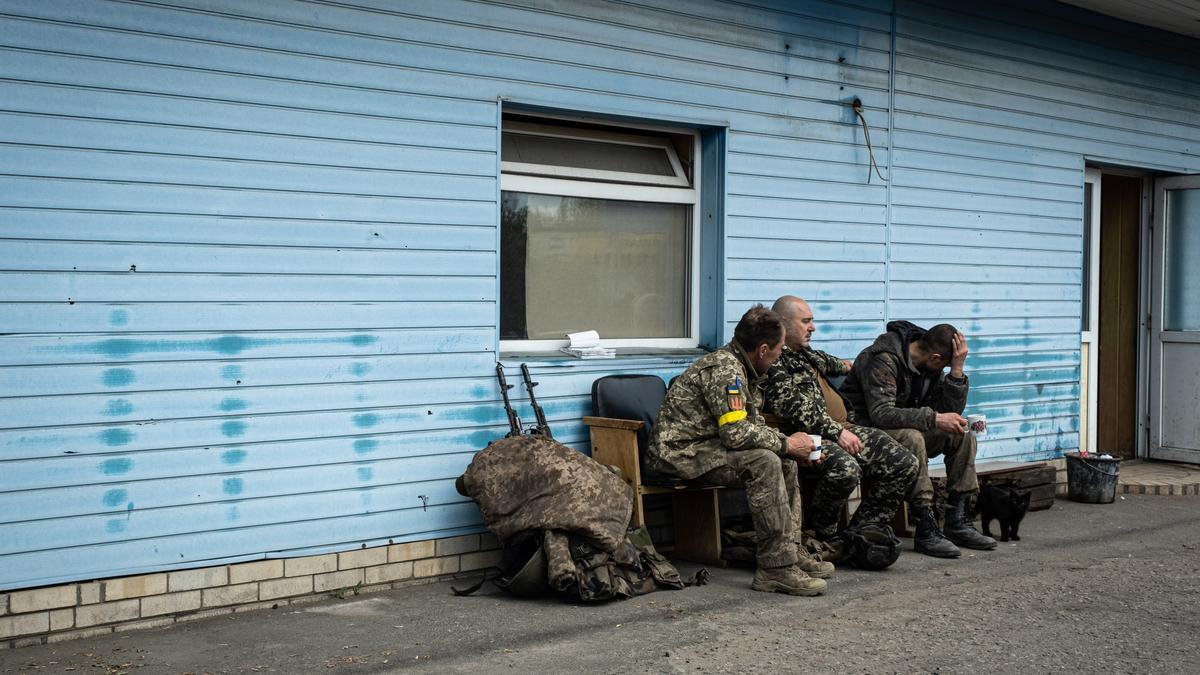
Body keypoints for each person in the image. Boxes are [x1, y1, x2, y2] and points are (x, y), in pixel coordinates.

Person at [646, 305, 831, 596]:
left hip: (707, 448)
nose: (780, 355)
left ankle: (790, 553)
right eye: (779, 349)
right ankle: (775, 569)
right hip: (679, 454)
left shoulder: (744, 367)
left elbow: (750, 428)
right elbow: (736, 434)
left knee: (785, 462)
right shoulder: (725, 371)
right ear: (762, 349)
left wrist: (793, 448)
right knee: (766, 462)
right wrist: (787, 443)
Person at [763, 296, 918, 552]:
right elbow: (794, 409)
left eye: (812, 321)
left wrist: (853, 366)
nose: (812, 327)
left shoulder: (807, 355)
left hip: (843, 427)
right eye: (806, 321)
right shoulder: (774, 360)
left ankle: (863, 530)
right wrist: (838, 432)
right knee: (846, 469)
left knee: (904, 462)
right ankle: (823, 534)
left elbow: (835, 363)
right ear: (782, 323)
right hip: (806, 435)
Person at [840, 321, 997, 558]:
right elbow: (881, 413)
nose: (944, 369)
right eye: (946, 365)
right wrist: (934, 419)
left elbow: (946, 409)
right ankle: (925, 524)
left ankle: (958, 519)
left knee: (962, 436)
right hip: (864, 428)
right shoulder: (883, 359)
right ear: (935, 358)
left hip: (904, 426)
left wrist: (956, 373)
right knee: (913, 438)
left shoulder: (929, 367)